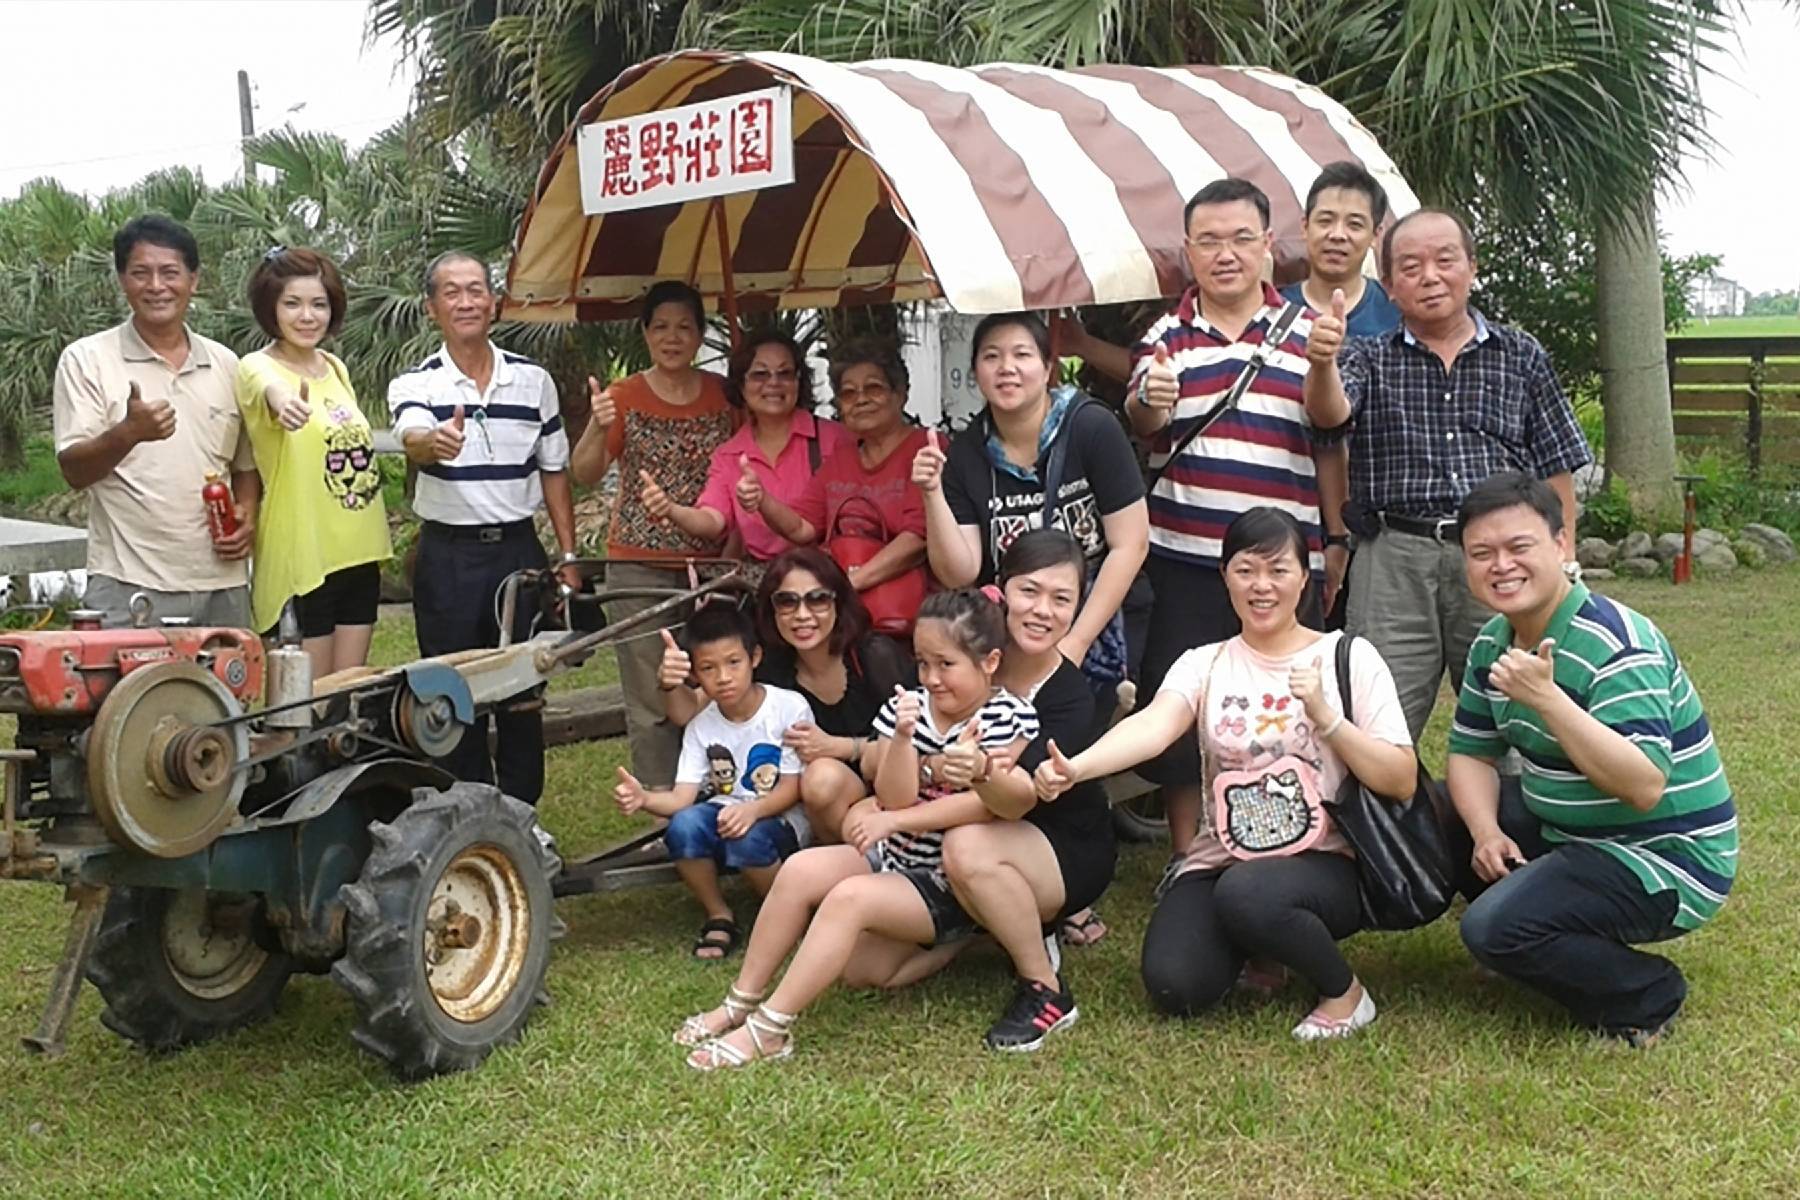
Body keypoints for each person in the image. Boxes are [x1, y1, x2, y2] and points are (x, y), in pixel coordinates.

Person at [1035, 508, 1415, 1040]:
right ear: (1224, 577)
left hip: (1328, 858)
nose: (1262, 586)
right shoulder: (1205, 662)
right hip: (1225, 854)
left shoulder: (1346, 656)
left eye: (1278, 570)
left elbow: (1401, 777)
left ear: (1304, 577)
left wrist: (1327, 717)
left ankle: (1346, 994)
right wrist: (1077, 767)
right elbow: (1153, 725)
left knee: (1248, 894)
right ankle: (1265, 947)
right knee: (1175, 984)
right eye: (1245, 569)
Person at [673, 589, 1037, 1070]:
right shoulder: (908, 705)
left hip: (948, 875)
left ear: (990, 661)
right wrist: (904, 740)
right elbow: (894, 795)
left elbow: (984, 809)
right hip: (895, 859)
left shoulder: (1010, 716)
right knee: (803, 875)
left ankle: (770, 1028)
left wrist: (896, 819)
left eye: (945, 665)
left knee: (849, 900)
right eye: (922, 663)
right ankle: (739, 1001)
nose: (930, 678)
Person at [1446, 472, 1735, 1046]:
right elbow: (1472, 753)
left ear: (1561, 545)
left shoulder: (1619, 644)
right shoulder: (1493, 643)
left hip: (1664, 856)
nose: (1501, 565)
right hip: (1574, 831)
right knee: (1441, 811)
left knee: (1489, 928)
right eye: (1482, 553)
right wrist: (1483, 833)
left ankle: (1646, 994)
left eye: (1519, 547)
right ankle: (1537, 935)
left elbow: (1643, 784)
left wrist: (1548, 700)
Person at [1125, 178, 1349, 887]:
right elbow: (1143, 417)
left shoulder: (1307, 325)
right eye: (1209, 241)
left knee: (1287, 707)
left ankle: (1287, 846)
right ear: (1188, 252)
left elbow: (1329, 421)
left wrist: (1321, 362)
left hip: (1284, 565)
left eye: (1241, 239)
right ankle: (1189, 859)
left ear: (1268, 248)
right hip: (1187, 561)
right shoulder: (1165, 337)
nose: (1226, 254)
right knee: (1186, 706)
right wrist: (1150, 399)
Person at [1303, 207, 1592, 739]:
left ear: (1473, 268)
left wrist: (1564, 554)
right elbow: (1330, 417)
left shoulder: (1520, 354)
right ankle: (1390, 823)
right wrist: (1321, 363)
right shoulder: (1368, 356)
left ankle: (1506, 822)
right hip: (1394, 557)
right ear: (1388, 287)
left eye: (1445, 260)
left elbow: (1557, 464)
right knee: (1376, 720)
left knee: (1518, 715)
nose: (1430, 277)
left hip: (1500, 554)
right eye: (1410, 267)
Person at [388, 251, 579, 806]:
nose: (466, 301)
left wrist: (567, 557)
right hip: (447, 558)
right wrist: (435, 444)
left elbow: (554, 471)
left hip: (519, 553)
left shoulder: (533, 380)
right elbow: (414, 437)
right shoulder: (415, 383)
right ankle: (466, 817)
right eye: (452, 292)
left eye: (476, 290)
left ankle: (522, 820)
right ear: (432, 308)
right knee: (451, 693)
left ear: (493, 303)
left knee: (523, 692)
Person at [940, 529, 1119, 1050]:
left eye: (1062, 599)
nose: (1043, 610)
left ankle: (1044, 989)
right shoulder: (970, 659)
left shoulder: (1068, 698)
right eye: (1029, 591)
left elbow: (1014, 799)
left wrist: (976, 769)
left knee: (965, 848)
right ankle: (991, 925)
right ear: (1000, 591)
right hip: (977, 825)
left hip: (1063, 848)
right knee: (877, 967)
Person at [913, 311, 1149, 688]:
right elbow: (960, 572)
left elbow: (1131, 544)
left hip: (1102, 622)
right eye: (991, 357)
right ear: (975, 372)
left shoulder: (1092, 428)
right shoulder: (966, 454)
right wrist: (932, 493)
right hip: (1017, 636)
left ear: (1048, 366)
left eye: (1022, 355)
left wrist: (1075, 643)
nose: (1007, 368)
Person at [569, 281, 737, 788]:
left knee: (714, 680)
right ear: (644, 333)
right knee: (650, 693)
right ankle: (659, 802)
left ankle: (720, 791)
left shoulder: (723, 395)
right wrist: (598, 427)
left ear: (701, 335)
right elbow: (585, 472)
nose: (672, 337)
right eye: (661, 326)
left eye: (685, 327)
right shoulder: (623, 397)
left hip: (710, 566)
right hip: (638, 565)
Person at [52, 214, 257, 628]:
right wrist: (128, 433)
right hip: (129, 586)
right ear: (122, 280)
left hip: (223, 584)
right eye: (140, 273)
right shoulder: (87, 360)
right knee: (129, 695)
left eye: (170, 272)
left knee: (225, 695)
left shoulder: (227, 364)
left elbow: (244, 466)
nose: (157, 286)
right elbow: (74, 470)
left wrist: (248, 511)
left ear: (194, 280)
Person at [658, 546, 915, 843]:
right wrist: (671, 683)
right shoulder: (768, 662)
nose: (802, 615)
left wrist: (838, 746)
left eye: (818, 599)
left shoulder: (873, 656)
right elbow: (687, 711)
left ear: (839, 603)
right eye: (787, 602)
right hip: (800, 798)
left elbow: (919, 739)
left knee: (821, 776)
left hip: (887, 786)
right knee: (819, 778)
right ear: (771, 609)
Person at [614, 604, 814, 960]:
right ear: (695, 674)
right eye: (708, 668)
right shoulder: (701, 724)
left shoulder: (787, 707)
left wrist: (752, 810)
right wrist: (643, 798)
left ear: (755, 657)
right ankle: (718, 914)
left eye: (733, 662)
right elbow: (681, 799)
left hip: (778, 818)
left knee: (747, 836)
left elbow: (792, 787)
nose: (723, 677)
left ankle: (785, 915)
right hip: (726, 814)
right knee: (683, 826)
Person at [235, 246, 390, 674]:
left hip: (358, 552)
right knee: (306, 705)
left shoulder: (335, 368)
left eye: (318, 304)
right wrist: (284, 402)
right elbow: (270, 389)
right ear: (271, 308)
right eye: (293, 304)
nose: (307, 316)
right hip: (305, 557)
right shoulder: (255, 366)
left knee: (346, 695)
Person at [745, 338, 931, 631]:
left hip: (903, 612)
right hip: (844, 613)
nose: (860, 399)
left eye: (873, 388)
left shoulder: (926, 448)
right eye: (848, 393)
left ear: (901, 394)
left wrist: (850, 583)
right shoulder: (841, 459)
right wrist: (761, 499)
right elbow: (802, 528)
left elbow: (919, 539)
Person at [639, 329, 851, 570]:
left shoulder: (835, 439)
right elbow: (713, 521)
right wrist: (671, 510)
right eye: (760, 374)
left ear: (798, 381)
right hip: (762, 581)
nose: (773, 383)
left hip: (829, 574)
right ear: (741, 385)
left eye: (785, 373)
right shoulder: (729, 455)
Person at [1277, 161, 1402, 340]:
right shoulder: (1274, 311)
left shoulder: (1395, 313)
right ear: (1305, 227)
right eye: (1325, 221)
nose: (1338, 235)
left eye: (1354, 224)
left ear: (1376, 235)